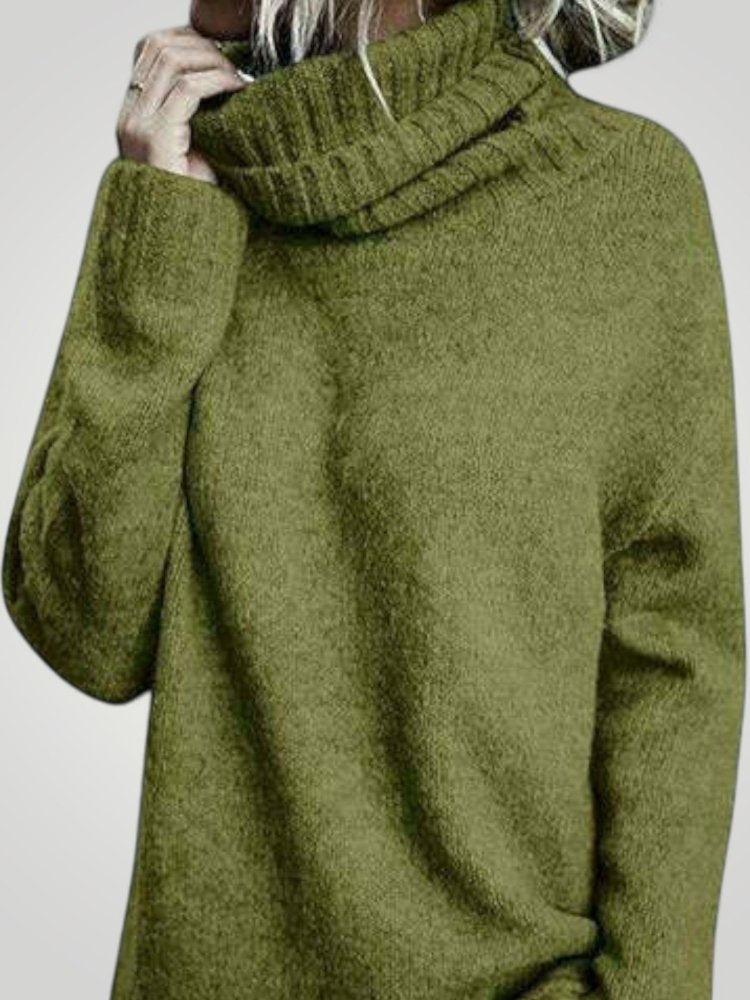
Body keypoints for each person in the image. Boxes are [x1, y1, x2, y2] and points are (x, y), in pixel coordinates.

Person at [2, 0, 744, 998]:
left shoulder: (619, 193)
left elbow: (676, 647)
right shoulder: (187, 195)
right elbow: (84, 634)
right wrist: (156, 228)